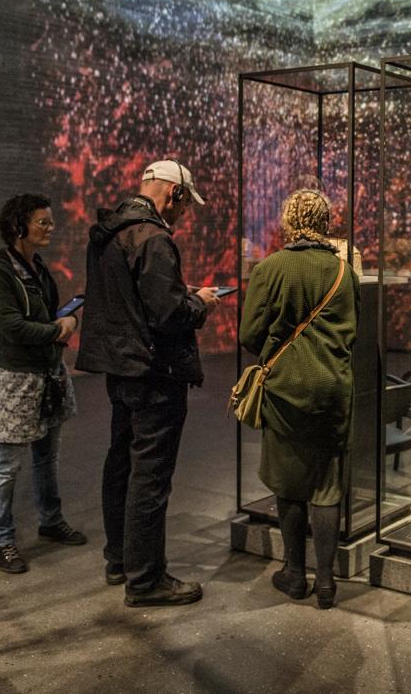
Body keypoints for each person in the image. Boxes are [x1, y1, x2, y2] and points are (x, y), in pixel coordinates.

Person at [76, 160, 222, 607]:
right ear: (174, 194)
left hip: (121, 369)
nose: (183, 215)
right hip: (155, 374)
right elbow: (169, 315)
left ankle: (119, 560)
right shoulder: (153, 238)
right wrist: (199, 302)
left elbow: (131, 303)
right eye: (184, 205)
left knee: (120, 462)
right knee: (150, 476)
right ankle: (145, 579)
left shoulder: (109, 232)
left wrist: (179, 296)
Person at [239, 190, 358, 609]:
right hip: (334, 388)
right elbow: (353, 333)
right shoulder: (345, 272)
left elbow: (248, 335)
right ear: (326, 222)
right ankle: (326, 582)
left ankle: (295, 574)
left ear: (288, 221)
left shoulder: (271, 268)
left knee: (290, 485)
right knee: (327, 484)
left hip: (287, 388)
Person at [0, 193, 86, 574]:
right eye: (42, 222)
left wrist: (65, 320)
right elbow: (10, 326)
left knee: (47, 455)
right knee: (7, 462)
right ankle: (2, 540)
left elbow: (44, 318)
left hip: (48, 373)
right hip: (16, 377)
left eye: (50, 221)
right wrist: (58, 330)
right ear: (18, 226)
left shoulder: (38, 267)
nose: (50, 228)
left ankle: (51, 520)